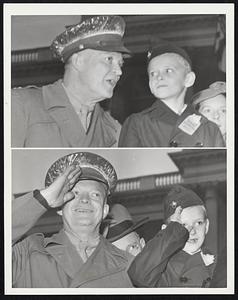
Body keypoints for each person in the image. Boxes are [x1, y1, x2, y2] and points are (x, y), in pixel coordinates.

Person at [12, 152, 133, 288]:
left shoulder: (127, 264)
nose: (85, 199)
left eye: (95, 194)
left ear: (104, 210)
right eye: (75, 193)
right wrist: (45, 198)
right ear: (59, 207)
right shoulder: (28, 252)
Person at [11, 16, 131, 148]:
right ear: (78, 62)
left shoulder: (114, 130)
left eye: (120, 64)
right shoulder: (21, 105)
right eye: (109, 59)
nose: (119, 71)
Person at [119, 40, 225, 147]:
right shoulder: (137, 124)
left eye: (168, 71)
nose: (159, 77)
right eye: (153, 73)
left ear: (188, 79)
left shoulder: (209, 128)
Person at [128, 185, 216, 287]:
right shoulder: (163, 269)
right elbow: (139, 275)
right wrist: (174, 232)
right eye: (183, 225)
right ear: (167, 231)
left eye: (199, 223)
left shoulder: (219, 262)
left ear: (207, 225)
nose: (192, 232)